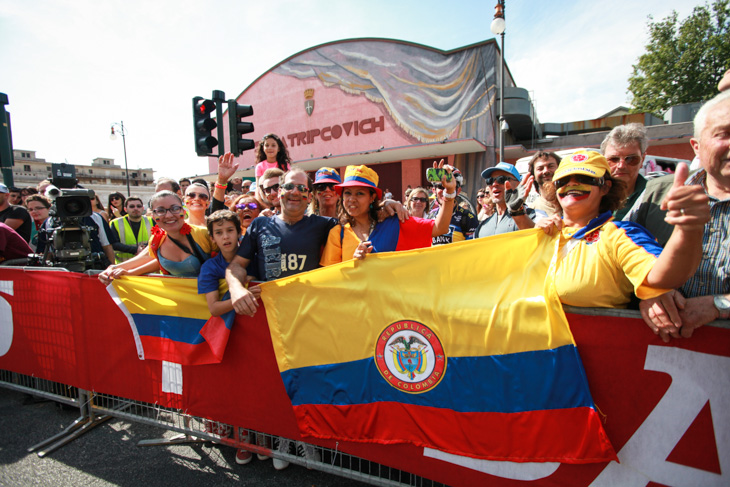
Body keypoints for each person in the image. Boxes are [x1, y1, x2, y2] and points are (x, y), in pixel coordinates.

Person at [537, 150, 709, 311]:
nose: (572, 183)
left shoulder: (618, 235)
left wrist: (688, 229)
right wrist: (533, 235)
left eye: (585, 178)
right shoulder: (544, 232)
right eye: (562, 181)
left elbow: (664, 277)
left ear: (605, 187)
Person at [631, 91, 730, 341]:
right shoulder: (657, 193)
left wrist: (720, 305)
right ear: (697, 146)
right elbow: (622, 259)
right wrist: (647, 290)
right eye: (724, 133)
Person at [320, 164, 454, 265]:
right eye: (347, 193)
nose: (351, 199)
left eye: (360, 193)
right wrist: (353, 263)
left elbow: (440, 228)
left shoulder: (395, 221)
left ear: (372, 197)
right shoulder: (337, 234)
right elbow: (331, 279)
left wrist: (449, 193)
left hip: (391, 302)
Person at [98, 191, 215, 283]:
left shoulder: (203, 234)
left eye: (175, 209)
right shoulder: (157, 239)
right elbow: (148, 258)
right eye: (160, 211)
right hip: (179, 303)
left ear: (183, 212)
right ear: (153, 216)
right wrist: (112, 270)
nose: (169, 215)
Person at [600, 124, 649, 220]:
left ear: (642, 159)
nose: (621, 166)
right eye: (614, 159)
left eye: (631, 159)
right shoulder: (591, 192)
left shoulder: (652, 195)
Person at [475, 162, 536, 238]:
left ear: (518, 184)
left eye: (501, 179)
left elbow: (537, 239)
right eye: (490, 180)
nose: (494, 184)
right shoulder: (482, 226)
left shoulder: (533, 216)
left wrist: (517, 212)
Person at [427, 167, 477, 245]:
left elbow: (473, 250)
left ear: (458, 191)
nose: (445, 191)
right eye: (441, 186)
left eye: (450, 187)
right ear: (434, 190)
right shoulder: (430, 215)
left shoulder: (468, 218)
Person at [109, 196, 154, 263]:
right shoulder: (115, 223)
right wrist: (135, 250)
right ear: (125, 209)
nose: (136, 208)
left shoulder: (151, 220)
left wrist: (146, 248)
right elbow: (113, 244)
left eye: (138, 206)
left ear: (143, 208)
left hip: (146, 264)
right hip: (124, 266)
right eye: (132, 206)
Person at [526, 151, 561, 218]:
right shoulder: (532, 212)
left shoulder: (571, 203)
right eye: (540, 168)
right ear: (533, 175)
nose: (546, 171)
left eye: (551, 166)